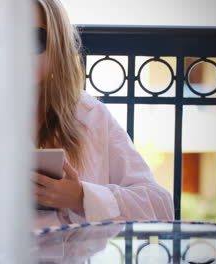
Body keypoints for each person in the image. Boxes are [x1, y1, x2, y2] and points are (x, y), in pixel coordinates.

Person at [32, 0, 174, 228]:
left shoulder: (89, 115)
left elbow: (160, 206)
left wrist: (81, 198)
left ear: (57, 45)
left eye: (31, 39)